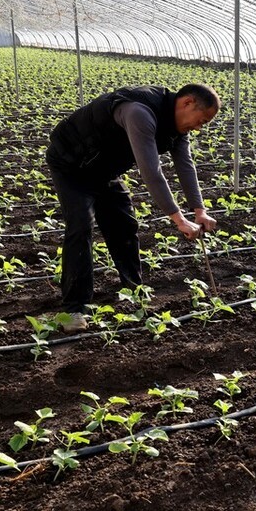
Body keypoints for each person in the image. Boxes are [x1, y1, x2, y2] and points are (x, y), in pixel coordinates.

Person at [45, 83, 220, 333]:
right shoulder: (139, 111)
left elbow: (185, 165)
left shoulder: (176, 129)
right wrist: (179, 219)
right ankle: (74, 309)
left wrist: (199, 210)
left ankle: (134, 291)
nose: (199, 127)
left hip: (103, 169)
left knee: (124, 225)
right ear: (187, 103)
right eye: (201, 120)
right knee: (81, 226)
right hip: (71, 164)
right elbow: (151, 171)